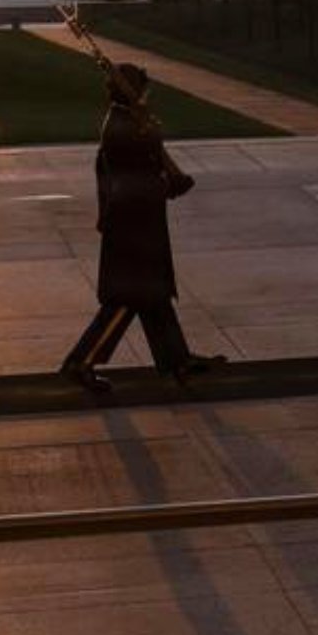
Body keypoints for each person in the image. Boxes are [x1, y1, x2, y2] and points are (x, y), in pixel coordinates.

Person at [61, 63, 225, 392]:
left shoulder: (128, 122)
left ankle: (177, 360)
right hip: (133, 227)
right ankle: (81, 362)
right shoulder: (124, 128)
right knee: (127, 299)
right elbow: (133, 183)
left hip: (139, 224)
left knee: (154, 296)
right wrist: (171, 184)